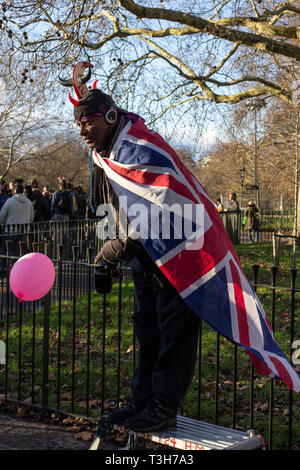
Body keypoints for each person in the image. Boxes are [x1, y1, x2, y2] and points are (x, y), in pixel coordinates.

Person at [61, 62, 200, 433]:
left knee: (174, 331)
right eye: (78, 124)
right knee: (147, 328)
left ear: (109, 116)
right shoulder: (105, 154)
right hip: (145, 254)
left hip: (179, 252)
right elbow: (113, 206)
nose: (82, 130)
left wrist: (115, 249)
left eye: (87, 122)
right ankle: (143, 399)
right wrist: (109, 254)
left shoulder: (139, 149)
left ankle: (164, 406)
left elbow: (159, 210)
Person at [0, 182, 34, 266]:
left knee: (6, 253)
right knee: (19, 254)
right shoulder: (29, 202)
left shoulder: (10, 201)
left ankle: (4, 270)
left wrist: (3, 225)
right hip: (23, 231)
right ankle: (16, 272)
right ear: (23, 191)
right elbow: (31, 218)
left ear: (14, 191)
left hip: (9, 230)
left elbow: (2, 215)